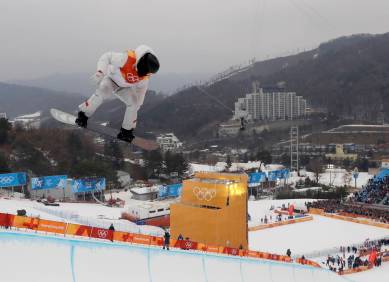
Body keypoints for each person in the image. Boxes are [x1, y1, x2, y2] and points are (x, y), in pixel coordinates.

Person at [75, 45, 160, 143]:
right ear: (141, 62)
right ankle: (83, 115)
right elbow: (107, 57)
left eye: (147, 72)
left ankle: (126, 131)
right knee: (101, 93)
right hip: (111, 81)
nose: (143, 73)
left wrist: (138, 104)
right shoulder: (127, 59)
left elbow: (141, 90)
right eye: (144, 70)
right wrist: (100, 72)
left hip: (124, 88)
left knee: (133, 104)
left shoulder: (144, 77)